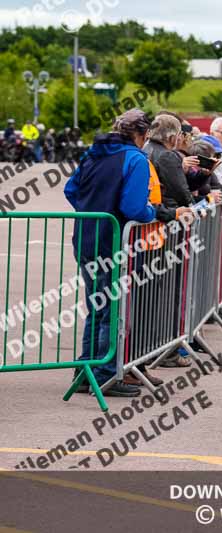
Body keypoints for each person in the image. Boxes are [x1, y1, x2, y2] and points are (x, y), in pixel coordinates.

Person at [63, 109, 157, 398]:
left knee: (97, 308)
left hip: (86, 237)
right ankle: (104, 374)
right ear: (140, 135)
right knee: (110, 312)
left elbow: (71, 189)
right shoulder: (136, 159)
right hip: (112, 242)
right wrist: (151, 212)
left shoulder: (94, 153)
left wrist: (91, 209)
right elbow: (133, 208)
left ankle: (85, 371)